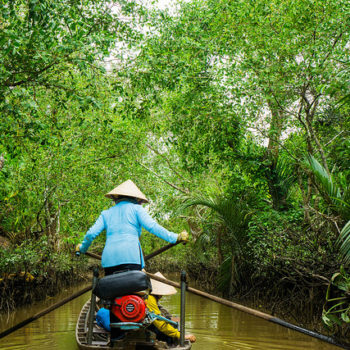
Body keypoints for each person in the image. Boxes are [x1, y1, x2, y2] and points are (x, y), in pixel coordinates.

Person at [75, 180, 189, 340]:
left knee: (115, 298)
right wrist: (175, 237)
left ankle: (116, 335)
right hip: (132, 259)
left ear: (116, 198)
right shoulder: (137, 209)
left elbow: (90, 234)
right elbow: (153, 227)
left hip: (110, 261)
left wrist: (83, 248)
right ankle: (136, 327)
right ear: (136, 199)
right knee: (135, 294)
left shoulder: (106, 213)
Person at [146, 272, 196, 345]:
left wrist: (176, 319)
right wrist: (182, 336)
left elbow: (161, 313)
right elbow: (160, 324)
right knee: (168, 335)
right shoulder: (150, 299)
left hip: (153, 322)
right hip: (149, 327)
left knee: (177, 319)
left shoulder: (152, 298)